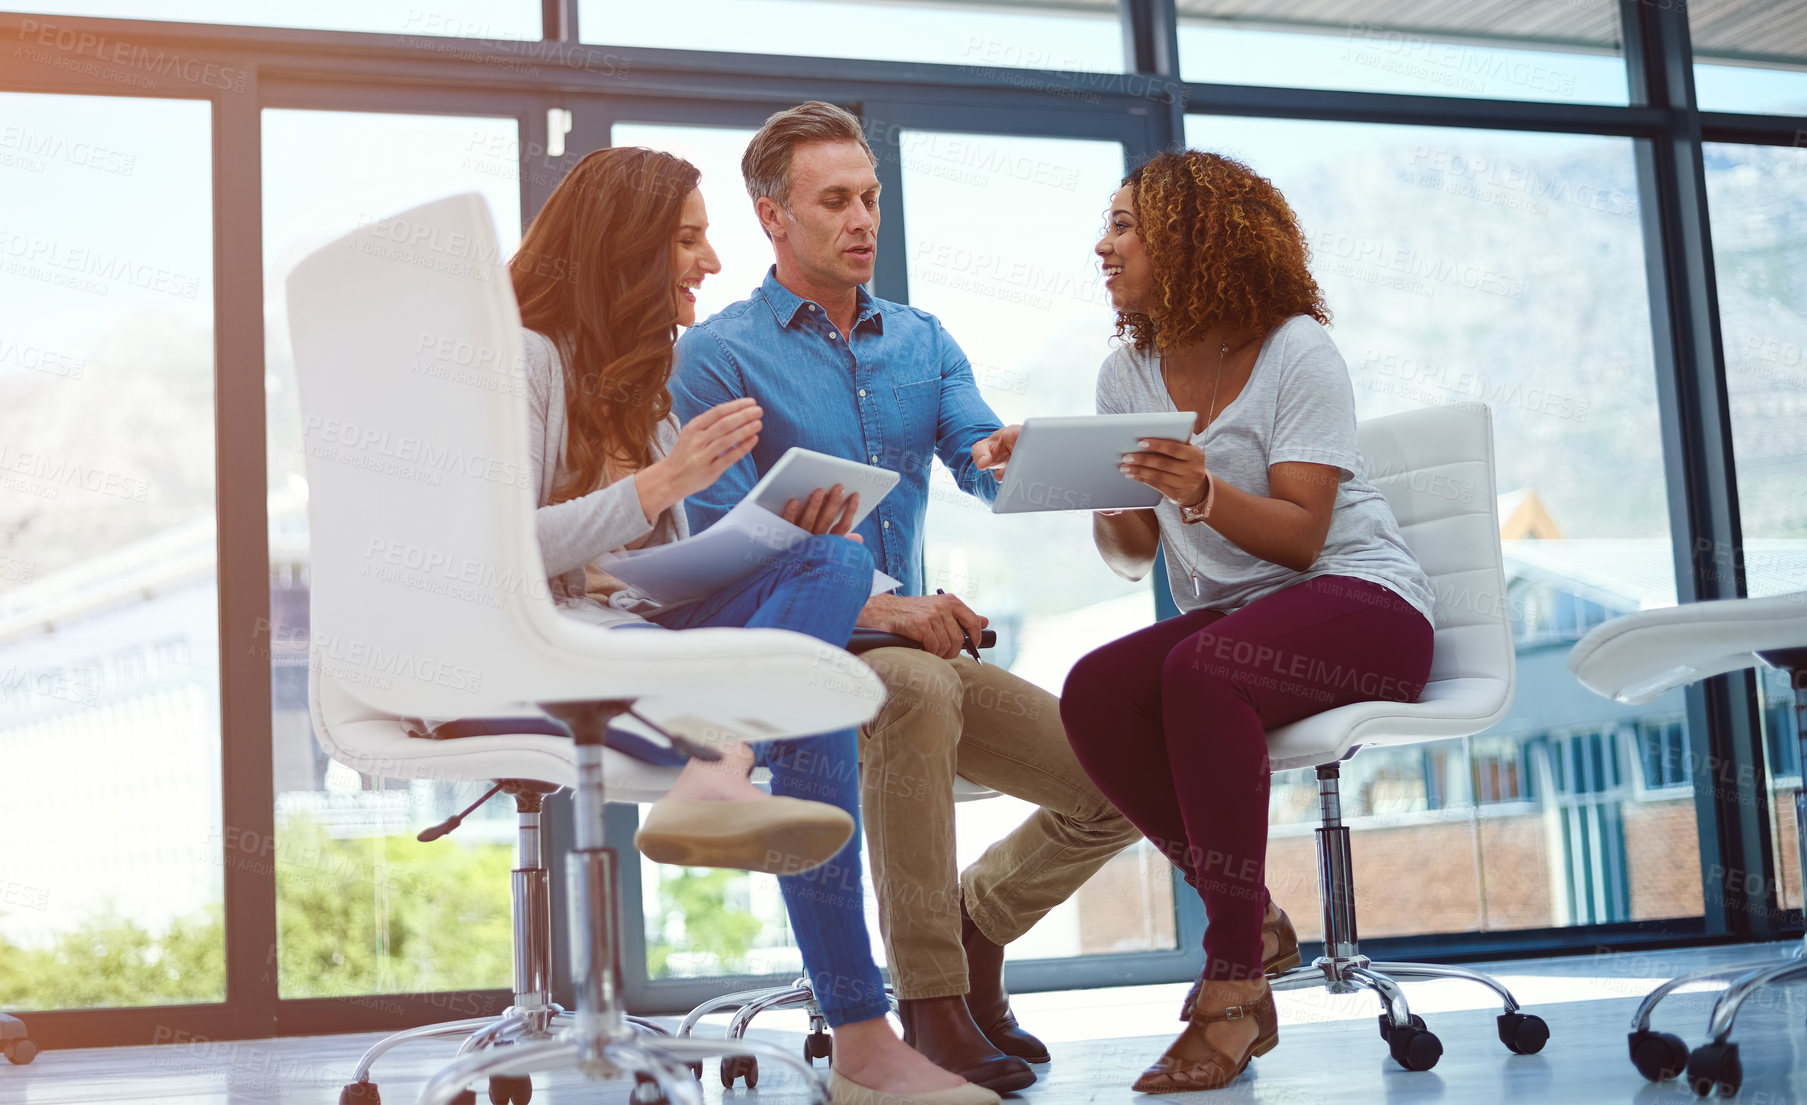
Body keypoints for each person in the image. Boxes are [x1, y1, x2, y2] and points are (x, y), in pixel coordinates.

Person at [670, 101, 1141, 1094]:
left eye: (870, 198)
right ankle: (926, 1006)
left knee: (1118, 781)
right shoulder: (717, 355)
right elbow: (720, 551)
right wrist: (884, 613)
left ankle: (972, 930)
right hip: (803, 652)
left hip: (918, 644)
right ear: (772, 217)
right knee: (919, 690)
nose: (861, 219)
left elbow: (983, 467)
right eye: (834, 200)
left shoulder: (920, 341)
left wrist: (1012, 456)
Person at [511, 144, 997, 1105]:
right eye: (688, 239)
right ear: (623, 250)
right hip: (558, 638)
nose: (709, 261)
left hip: (652, 627)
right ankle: (862, 1035)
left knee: (836, 557)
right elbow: (501, 552)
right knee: (805, 691)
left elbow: (668, 565)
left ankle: (718, 759)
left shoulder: (644, 389)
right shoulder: (527, 362)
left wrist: (771, 533)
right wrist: (659, 486)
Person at [1032, 149, 1437, 1093]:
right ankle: (1250, 914)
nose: (1104, 243)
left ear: (1193, 237)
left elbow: (1302, 537)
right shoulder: (1126, 372)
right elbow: (1133, 552)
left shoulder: (1297, 348)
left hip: (1366, 607)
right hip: (1243, 624)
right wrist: (1086, 481)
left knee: (1198, 671)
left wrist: (1204, 489)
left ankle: (1232, 979)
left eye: (1125, 224)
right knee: (1096, 689)